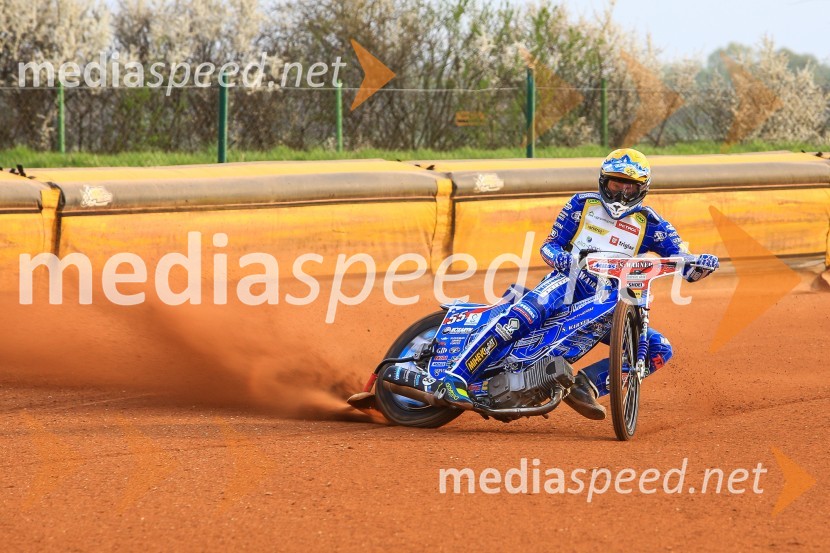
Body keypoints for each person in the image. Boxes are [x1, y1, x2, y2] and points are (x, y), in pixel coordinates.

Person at [434, 148, 719, 418]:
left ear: (642, 189)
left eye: (629, 186)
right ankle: (456, 376)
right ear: (603, 181)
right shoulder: (581, 205)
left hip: (611, 302)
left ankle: (586, 386)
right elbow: (549, 246)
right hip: (567, 283)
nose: (621, 192)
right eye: (616, 184)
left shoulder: (652, 223)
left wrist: (700, 264)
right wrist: (562, 260)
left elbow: (684, 265)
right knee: (520, 318)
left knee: (660, 349)